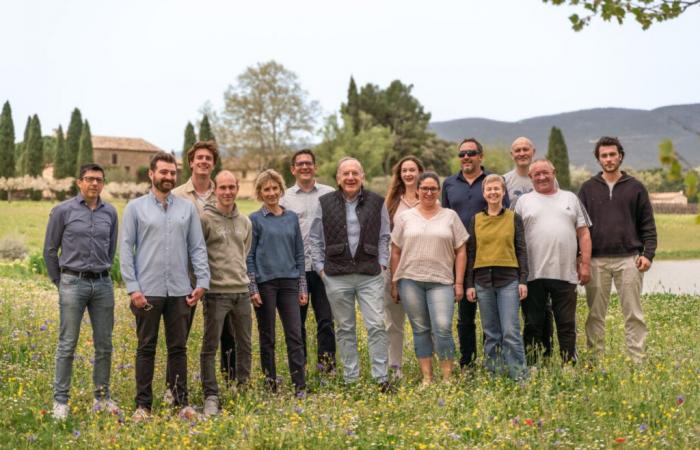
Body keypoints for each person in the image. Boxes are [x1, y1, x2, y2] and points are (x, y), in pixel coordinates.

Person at [120, 151, 210, 421]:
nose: (169, 177)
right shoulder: (135, 208)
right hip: (147, 291)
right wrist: (133, 287)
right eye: (164, 172)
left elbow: (197, 247)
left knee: (178, 349)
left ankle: (180, 403)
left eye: (172, 173)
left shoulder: (186, 209)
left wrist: (202, 281)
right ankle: (143, 406)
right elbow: (125, 250)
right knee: (146, 348)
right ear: (151, 174)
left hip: (181, 290)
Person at [309, 157, 393, 392]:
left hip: (370, 274)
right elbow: (315, 239)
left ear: (362, 177)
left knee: (376, 325)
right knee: (345, 329)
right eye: (345, 173)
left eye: (355, 173)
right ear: (338, 178)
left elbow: (385, 235)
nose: (350, 177)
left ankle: (381, 378)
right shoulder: (324, 202)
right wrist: (321, 269)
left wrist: (383, 265)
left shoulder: (377, 202)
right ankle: (350, 379)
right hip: (336, 275)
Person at [43, 163, 120, 420]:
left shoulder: (110, 213)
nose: (94, 184)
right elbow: (50, 250)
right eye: (89, 179)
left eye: (98, 179)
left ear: (103, 183)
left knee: (104, 345)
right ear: (79, 182)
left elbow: (110, 250)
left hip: (102, 284)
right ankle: (60, 401)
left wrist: (102, 272)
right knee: (67, 344)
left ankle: (101, 398)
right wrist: (60, 281)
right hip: (72, 283)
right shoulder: (63, 211)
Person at [578, 136, 657, 364]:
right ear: (598, 159)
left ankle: (637, 362)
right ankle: (594, 362)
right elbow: (580, 227)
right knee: (594, 315)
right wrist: (580, 258)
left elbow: (648, 225)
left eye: (613, 154)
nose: (609, 159)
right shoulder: (587, 188)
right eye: (604, 155)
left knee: (633, 314)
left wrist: (648, 254)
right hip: (596, 261)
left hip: (629, 260)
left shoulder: (636, 187)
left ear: (620, 156)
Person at [390, 172, 467, 385]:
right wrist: (394, 282)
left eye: (433, 188)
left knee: (442, 327)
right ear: (417, 190)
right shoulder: (406, 217)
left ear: (439, 191)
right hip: (410, 280)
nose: (429, 192)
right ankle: (427, 378)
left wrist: (458, 282)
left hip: (441, 280)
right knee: (420, 329)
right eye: (425, 188)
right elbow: (395, 250)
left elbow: (461, 250)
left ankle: (447, 378)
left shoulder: (450, 216)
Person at [173, 140, 238, 387]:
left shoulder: (223, 191)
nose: (203, 161)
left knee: (227, 334)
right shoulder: (178, 195)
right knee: (180, 334)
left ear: (213, 163)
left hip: (219, 274)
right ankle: (176, 387)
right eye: (199, 157)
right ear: (191, 162)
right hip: (186, 274)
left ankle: (229, 384)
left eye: (208, 158)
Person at [514, 159, 591, 363]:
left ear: (554, 172)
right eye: (536, 174)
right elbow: (514, 237)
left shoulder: (570, 198)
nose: (541, 177)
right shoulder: (523, 201)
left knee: (566, 322)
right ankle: (534, 364)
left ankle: (568, 363)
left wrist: (585, 265)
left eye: (545, 172)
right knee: (533, 323)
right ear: (530, 177)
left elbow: (583, 234)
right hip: (532, 273)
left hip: (565, 273)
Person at [442, 137, 509, 369]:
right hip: (460, 256)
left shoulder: (493, 182)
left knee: (492, 316)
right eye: (462, 154)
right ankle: (467, 363)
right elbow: (445, 219)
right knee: (465, 316)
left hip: (491, 256)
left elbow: (505, 216)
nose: (466, 157)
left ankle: (494, 362)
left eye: (471, 153)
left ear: (481, 156)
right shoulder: (449, 184)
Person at [247, 169, 307, 394]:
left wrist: (303, 286)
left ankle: (299, 386)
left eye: (275, 188)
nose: (271, 193)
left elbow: (299, 253)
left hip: (290, 283)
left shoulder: (291, 217)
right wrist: (253, 287)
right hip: (265, 285)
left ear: (281, 190)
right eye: (266, 189)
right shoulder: (255, 220)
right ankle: (270, 385)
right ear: (260, 193)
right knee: (267, 337)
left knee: (295, 335)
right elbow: (249, 256)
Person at [199, 170, 253, 415]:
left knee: (245, 344)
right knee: (210, 346)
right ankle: (211, 395)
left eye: (232, 187)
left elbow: (244, 253)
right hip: (216, 293)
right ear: (215, 190)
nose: (228, 192)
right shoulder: (205, 219)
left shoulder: (245, 222)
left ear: (237, 189)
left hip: (241, 291)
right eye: (223, 187)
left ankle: (242, 387)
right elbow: (197, 254)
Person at [466, 174, 528, 380]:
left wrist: (522, 280)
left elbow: (521, 250)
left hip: (508, 279)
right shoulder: (476, 220)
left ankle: (519, 375)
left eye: (496, 189)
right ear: (484, 193)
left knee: (510, 330)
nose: (493, 192)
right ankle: (495, 375)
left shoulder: (513, 218)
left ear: (503, 192)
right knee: (491, 333)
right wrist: (469, 284)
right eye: (489, 189)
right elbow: (471, 253)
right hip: (482, 281)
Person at [280, 149, 336, 373]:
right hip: (296, 268)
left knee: (326, 321)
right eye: (300, 164)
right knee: (297, 323)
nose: (305, 167)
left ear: (315, 167)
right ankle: (299, 368)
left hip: (324, 268)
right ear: (293, 169)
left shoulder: (330, 194)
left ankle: (327, 368)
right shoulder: (284, 198)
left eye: (309, 163)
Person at [383, 155, 424, 379]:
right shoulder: (391, 202)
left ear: (420, 172)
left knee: (423, 322)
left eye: (412, 170)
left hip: (422, 268)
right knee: (393, 322)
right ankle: (395, 366)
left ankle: (425, 366)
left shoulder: (429, 198)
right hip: (395, 269)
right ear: (399, 175)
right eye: (404, 170)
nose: (408, 174)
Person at [503, 137, 536, 203]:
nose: (522, 154)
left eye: (525, 149)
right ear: (512, 155)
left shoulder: (546, 179)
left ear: (533, 152)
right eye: (517, 150)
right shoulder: (504, 181)